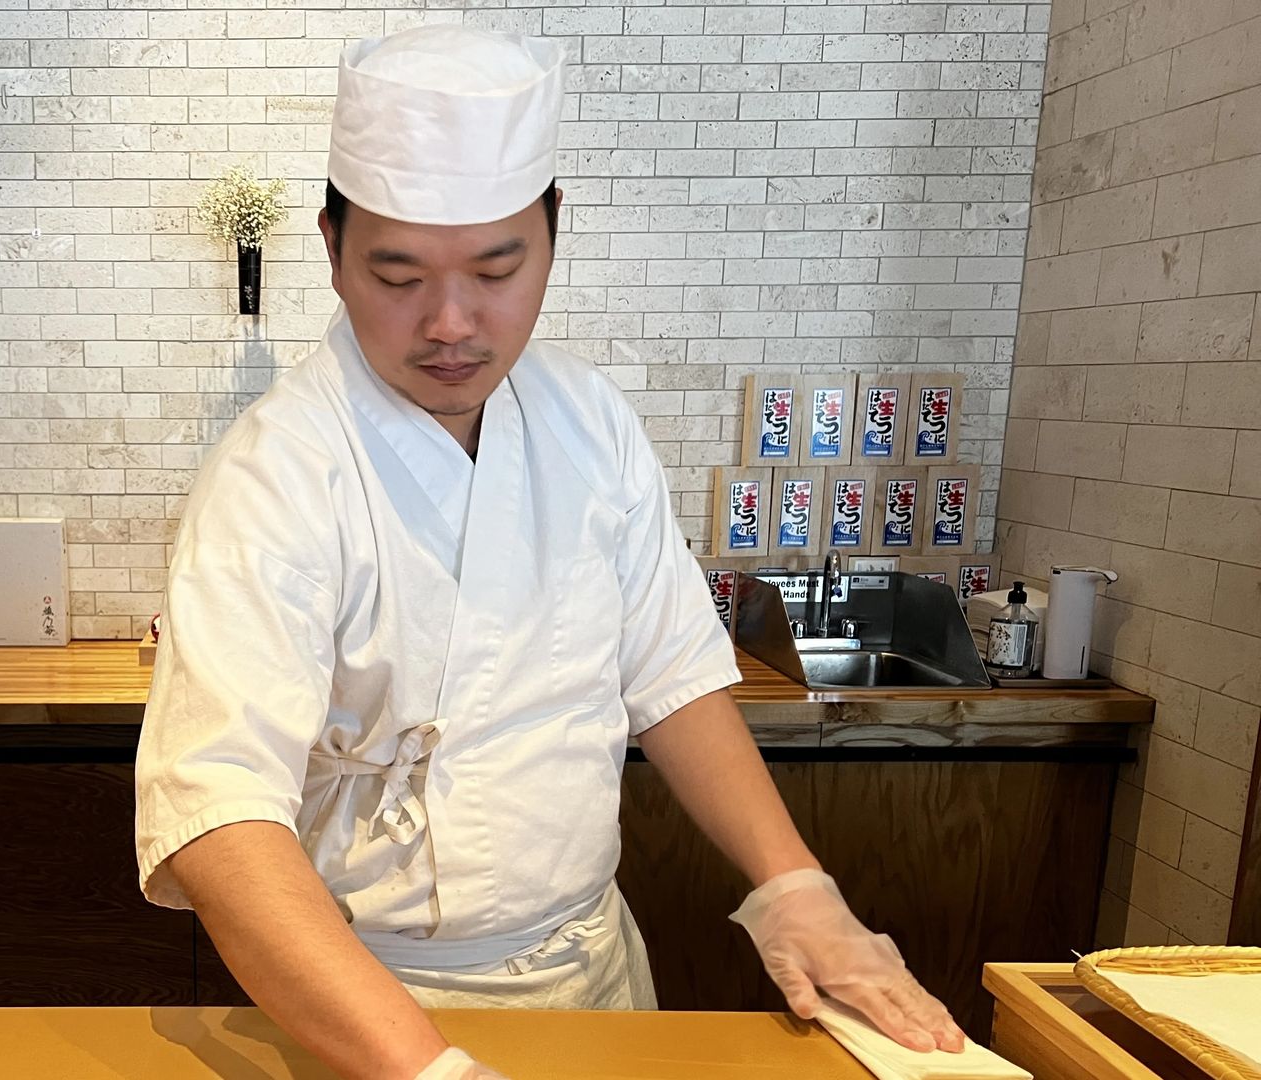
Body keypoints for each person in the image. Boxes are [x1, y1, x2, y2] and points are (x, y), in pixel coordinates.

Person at [134, 25, 966, 1080]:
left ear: (554, 234)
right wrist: (430, 1070)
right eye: (398, 274)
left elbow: (670, 674)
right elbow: (218, 814)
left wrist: (795, 886)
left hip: (592, 976)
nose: (451, 322)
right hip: (360, 1004)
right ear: (332, 250)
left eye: (496, 268)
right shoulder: (277, 474)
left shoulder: (586, 420)